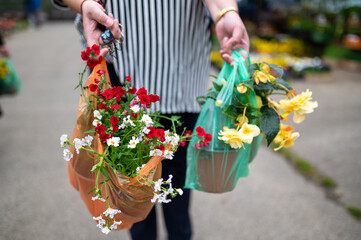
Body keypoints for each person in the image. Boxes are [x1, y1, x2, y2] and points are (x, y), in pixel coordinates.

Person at [53, 0, 249, 239]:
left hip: (183, 75)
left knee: (177, 189)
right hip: (123, 74)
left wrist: (226, 12)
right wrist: (84, 4)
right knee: (131, 189)